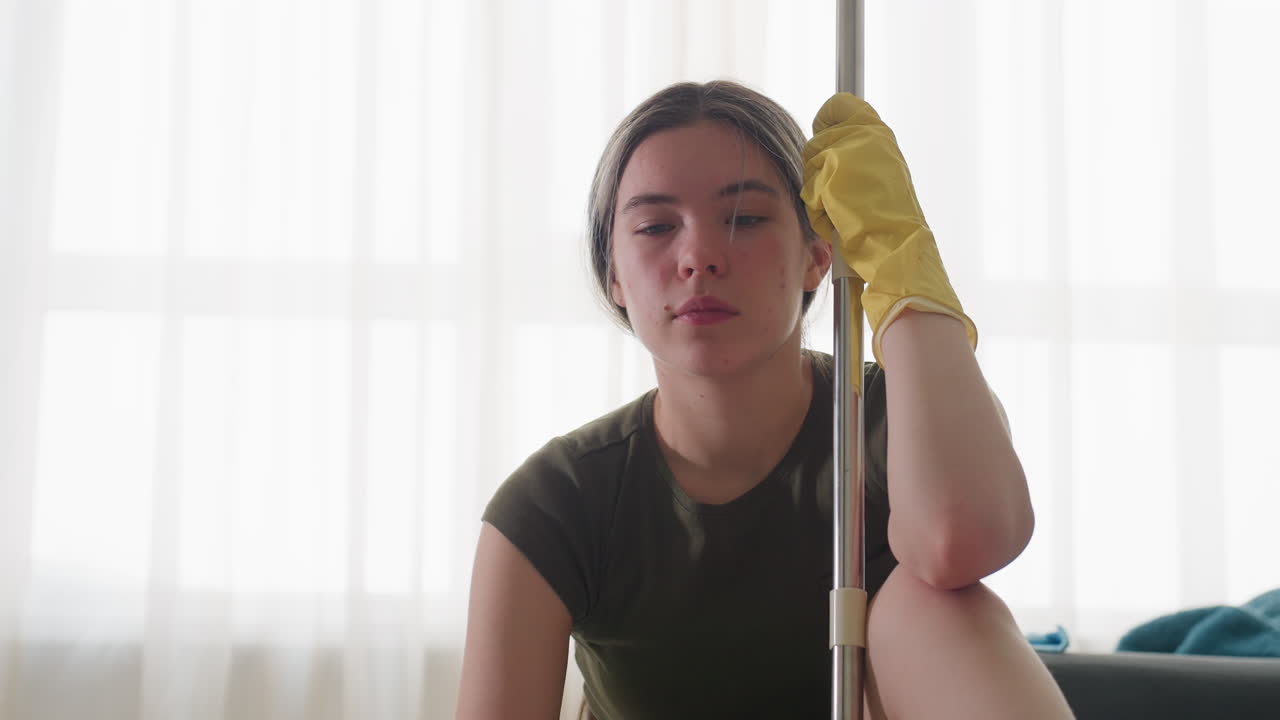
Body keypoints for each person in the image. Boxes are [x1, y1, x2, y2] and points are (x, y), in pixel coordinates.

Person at [456, 80, 1074, 719]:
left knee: (934, 600)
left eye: (744, 219)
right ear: (613, 274)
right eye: (656, 226)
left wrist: (900, 260)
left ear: (817, 255)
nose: (698, 257)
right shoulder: (557, 502)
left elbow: (964, 539)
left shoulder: (898, 421)